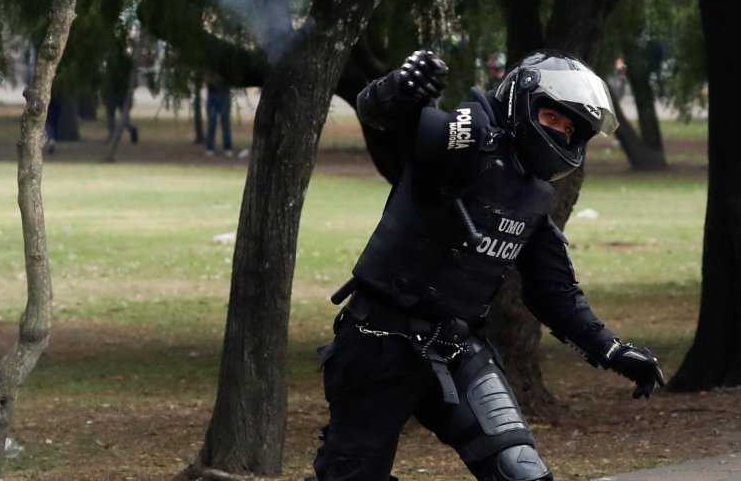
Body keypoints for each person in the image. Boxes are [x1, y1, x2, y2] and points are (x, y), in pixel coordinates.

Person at [311, 50, 665, 481]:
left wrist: (611, 350)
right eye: (553, 117)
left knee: (520, 470)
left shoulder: (533, 195)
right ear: (524, 100)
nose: (561, 131)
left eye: (571, 128)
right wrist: (398, 90)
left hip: (458, 349)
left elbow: (554, 292)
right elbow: (387, 118)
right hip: (378, 343)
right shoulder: (471, 134)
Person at [204, 82, 233, 157]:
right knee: (212, 124)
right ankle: (210, 148)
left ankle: (228, 147)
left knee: (225, 124)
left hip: (224, 94)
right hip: (212, 95)